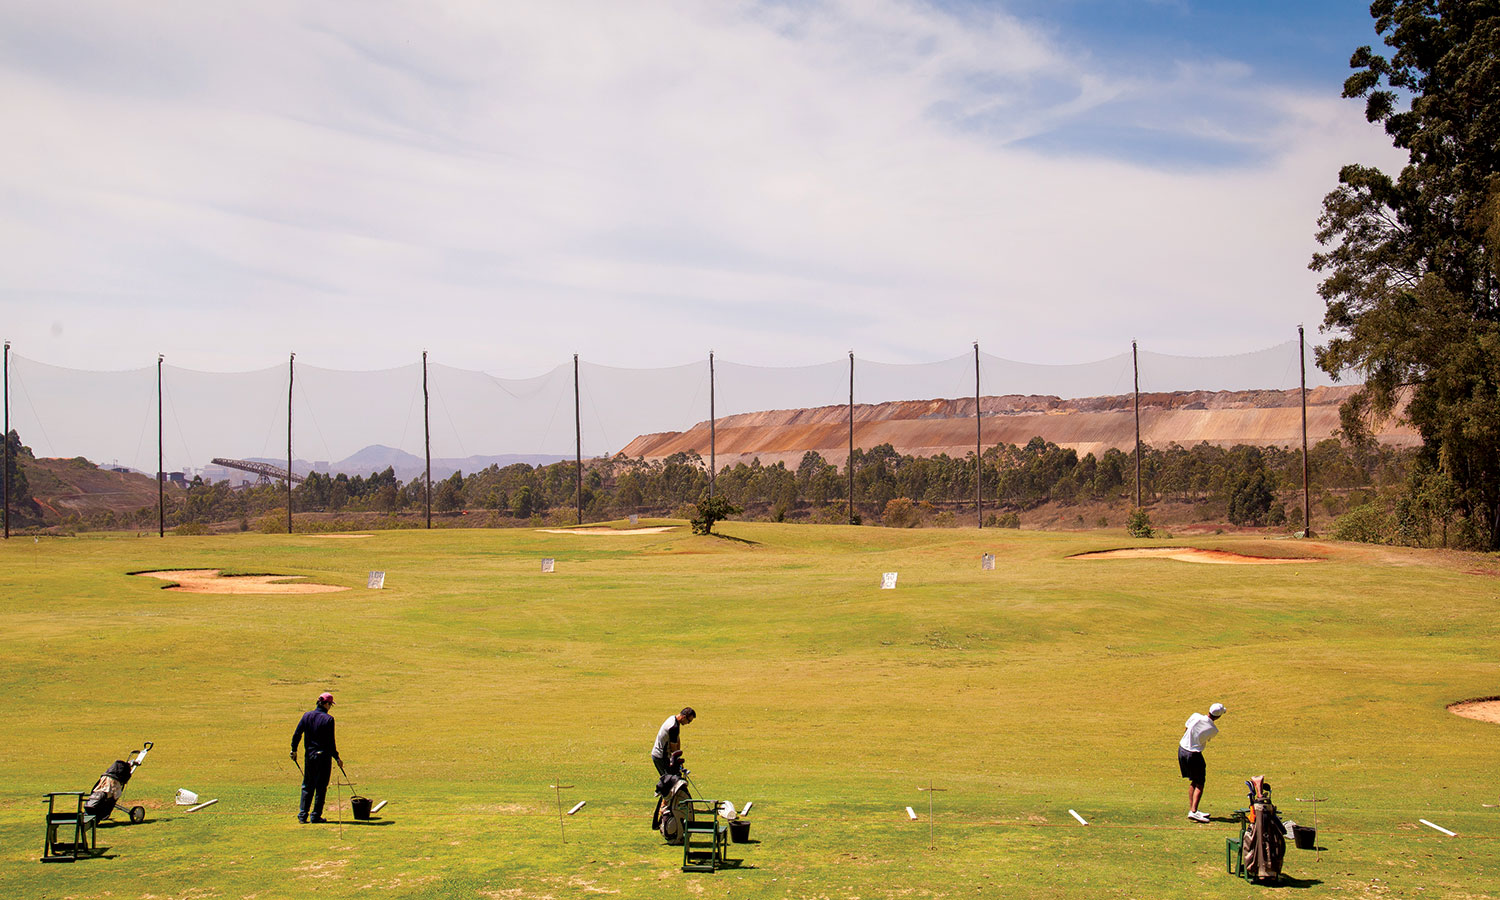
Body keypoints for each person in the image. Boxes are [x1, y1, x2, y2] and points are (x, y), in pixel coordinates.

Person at [291, 692, 342, 823]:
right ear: (326, 704)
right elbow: (331, 742)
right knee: (320, 786)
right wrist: (336, 757)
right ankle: (315, 815)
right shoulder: (328, 719)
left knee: (307, 785)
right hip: (323, 757)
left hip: (310, 756)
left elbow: (297, 734)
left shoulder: (307, 716)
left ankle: (302, 815)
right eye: (330, 704)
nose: (330, 707)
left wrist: (294, 749)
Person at [1178, 702, 1226, 822]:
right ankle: (1193, 811)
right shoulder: (1213, 730)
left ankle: (1192, 810)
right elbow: (1204, 740)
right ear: (1218, 716)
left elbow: (1186, 729)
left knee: (1193, 780)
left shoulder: (1195, 716)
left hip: (1182, 749)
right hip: (1194, 754)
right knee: (1200, 782)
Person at [651, 707, 696, 778]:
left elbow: (677, 740)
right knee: (669, 781)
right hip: (661, 756)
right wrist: (678, 761)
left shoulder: (673, 719)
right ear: (684, 717)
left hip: (662, 755)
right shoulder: (673, 727)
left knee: (671, 779)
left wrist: (678, 757)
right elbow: (673, 749)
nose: (688, 723)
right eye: (688, 721)